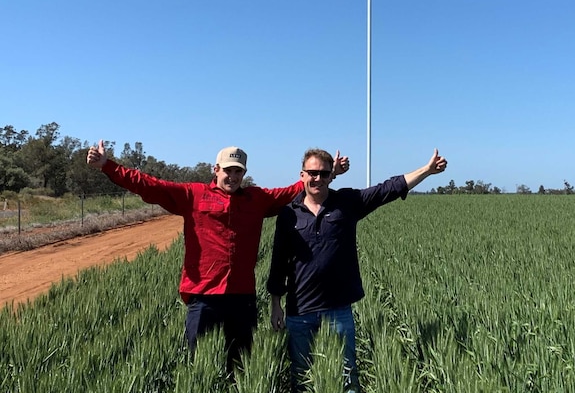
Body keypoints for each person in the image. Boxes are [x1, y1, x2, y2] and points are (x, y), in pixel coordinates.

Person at [86, 140, 349, 373]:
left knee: (241, 365)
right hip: (204, 297)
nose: (232, 176)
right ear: (216, 170)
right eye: (228, 170)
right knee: (198, 365)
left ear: (244, 173)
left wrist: (329, 174)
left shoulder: (256, 199)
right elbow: (149, 185)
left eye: (238, 171)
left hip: (242, 297)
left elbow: (295, 190)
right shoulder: (193, 195)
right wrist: (108, 166)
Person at [267, 147, 448, 392]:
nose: (317, 178)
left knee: (347, 378)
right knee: (302, 377)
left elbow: (388, 189)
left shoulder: (347, 202)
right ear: (302, 175)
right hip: (300, 311)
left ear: (332, 175)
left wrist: (425, 171)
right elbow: (279, 261)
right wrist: (275, 304)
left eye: (323, 173)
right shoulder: (288, 214)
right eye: (312, 173)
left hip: (338, 310)